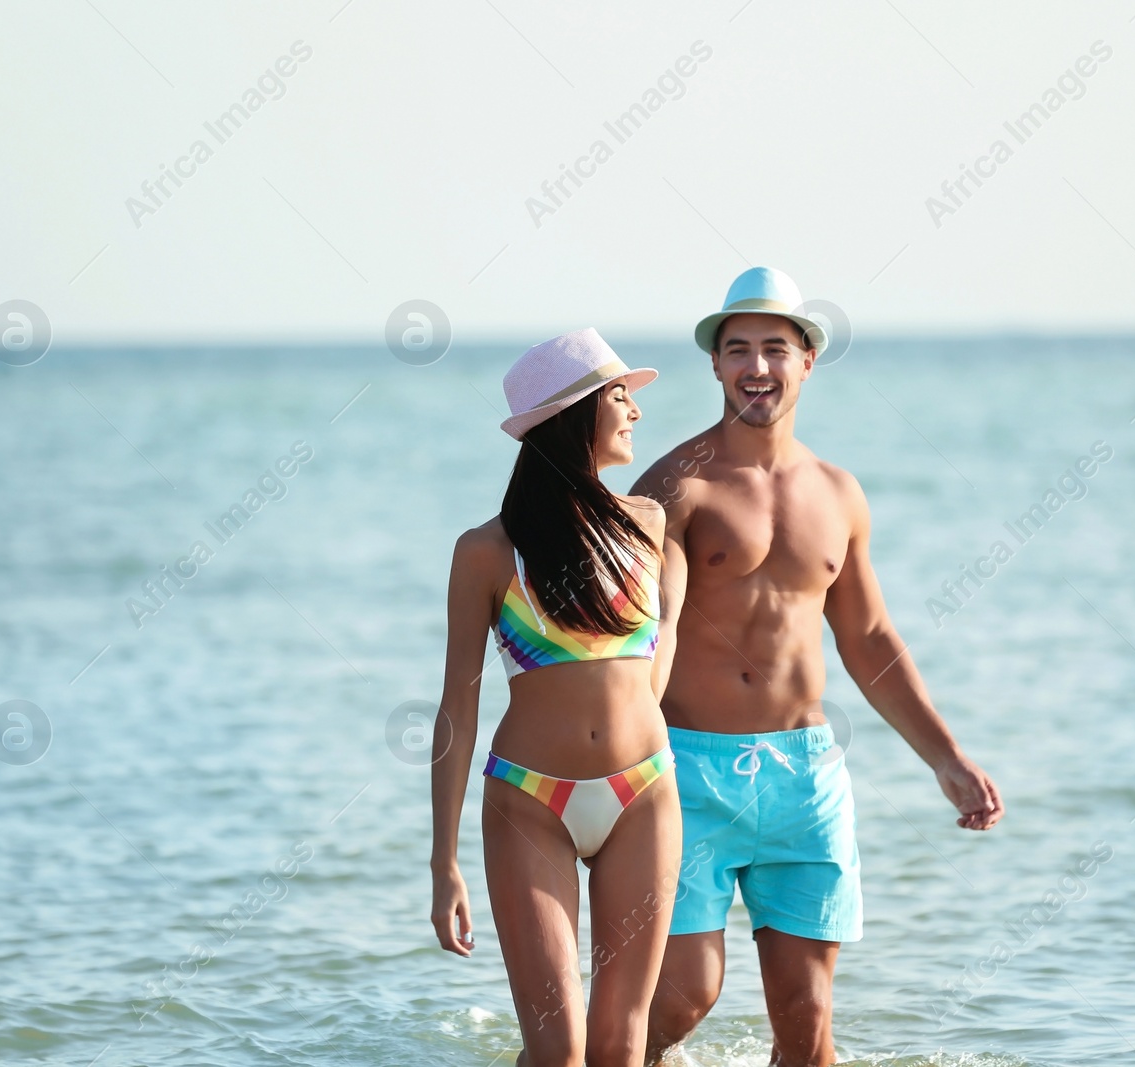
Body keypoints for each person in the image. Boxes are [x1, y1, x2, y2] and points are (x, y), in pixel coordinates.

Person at [633, 268, 1005, 1067]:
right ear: (715, 365)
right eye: (738, 351)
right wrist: (613, 762)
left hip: (804, 778)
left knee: (806, 1023)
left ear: (806, 360)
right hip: (688, 772)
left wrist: (947, 758)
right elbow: (646, 634)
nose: (756, 367)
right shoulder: (676, 486)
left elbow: (868, 637)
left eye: (774, 348)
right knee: (681, 997)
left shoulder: (839, 493)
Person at [430, 328, 684, 1067]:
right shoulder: (486, 550)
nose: (635, 410)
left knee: (619, 1045)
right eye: (619, 395)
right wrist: (443, 860)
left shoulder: (648, 526)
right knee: (559, 1050)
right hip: (528, 802)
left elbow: (653, 664)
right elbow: (456, 710)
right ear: (574, 414)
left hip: (645, 795)